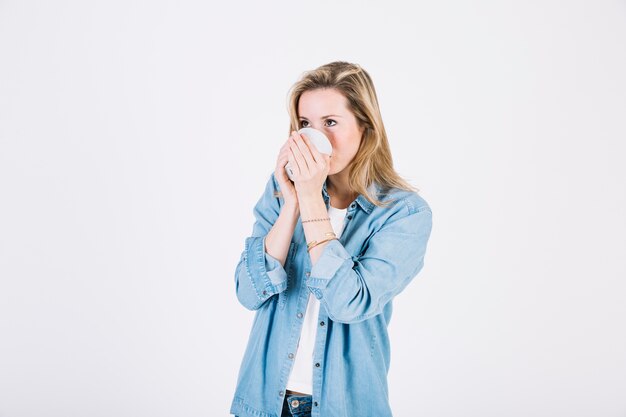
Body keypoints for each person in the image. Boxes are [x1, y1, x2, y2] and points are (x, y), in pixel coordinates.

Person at [230, 61, 433, 417]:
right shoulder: (280, 193)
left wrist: (310, 199)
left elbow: (348, 303)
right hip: (263, 403)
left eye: (331, 123)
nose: (315, 136)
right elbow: (248, 292)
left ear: (366, 127)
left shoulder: (403, 213)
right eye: (305, 124)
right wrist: (292, 202)